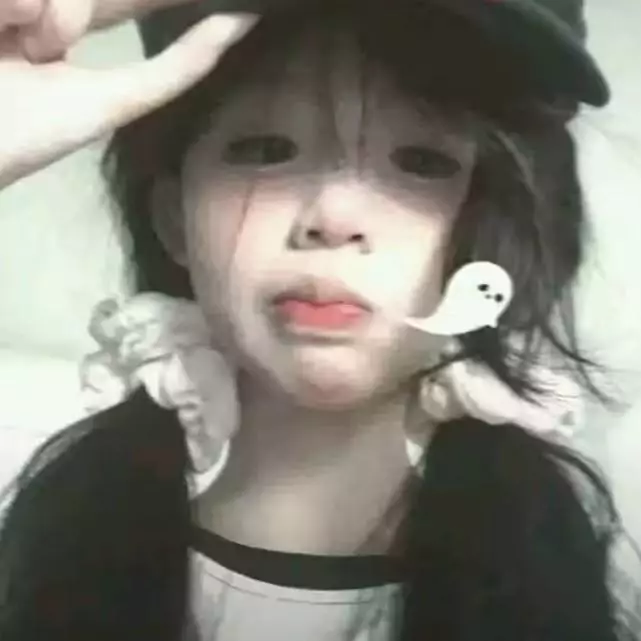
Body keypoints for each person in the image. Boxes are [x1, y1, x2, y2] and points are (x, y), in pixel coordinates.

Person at [0, 0, 638, 640]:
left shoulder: (558, 558)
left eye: (422, 160)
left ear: (499, 228)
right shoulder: (62, 533)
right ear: (174, 219)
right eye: (265, 149)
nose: (334, 216)